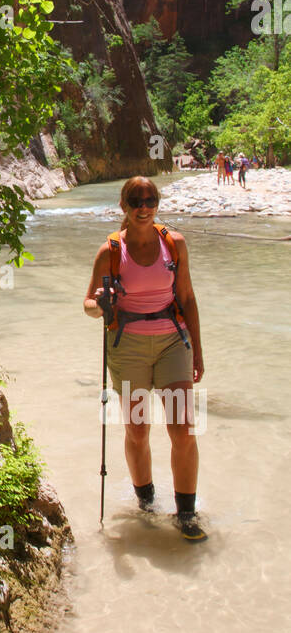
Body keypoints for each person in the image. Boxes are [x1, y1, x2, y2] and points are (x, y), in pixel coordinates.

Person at [83, 176, 207, 542]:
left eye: (150, 199)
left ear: (157, 203)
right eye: (136, 200)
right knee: (137, 431)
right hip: (129, 347)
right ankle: (147, 503)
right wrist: (101, 304)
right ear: (124, 206)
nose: (144, 206)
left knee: (182, 430)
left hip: (173, 343)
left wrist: (198, 350)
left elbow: (187, 297)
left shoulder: (175, 244)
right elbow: (88, 303)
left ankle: (186, 513)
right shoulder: (110, 251)